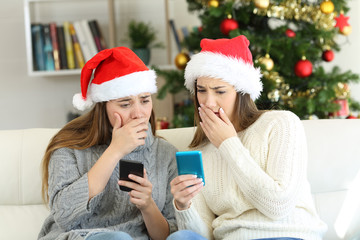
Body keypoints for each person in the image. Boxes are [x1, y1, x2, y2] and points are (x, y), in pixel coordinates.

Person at [167, 36, 327, 240]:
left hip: (286, 234)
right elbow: (204, 235)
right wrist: (184, 206)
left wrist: (228, 144)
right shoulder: (198, 152)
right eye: (201, 90)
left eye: (220, 91)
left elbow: (278, 207)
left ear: (242, 92)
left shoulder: (281, 124)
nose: (208, 102)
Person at [38, 47, 178, 240]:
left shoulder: (166, 154)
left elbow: (166, 235)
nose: (139, 113)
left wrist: (148, 205)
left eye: (144, 100)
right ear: (103, 106)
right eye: (125, 104)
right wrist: (115, 151)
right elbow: (63, 216)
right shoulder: (69, 146)